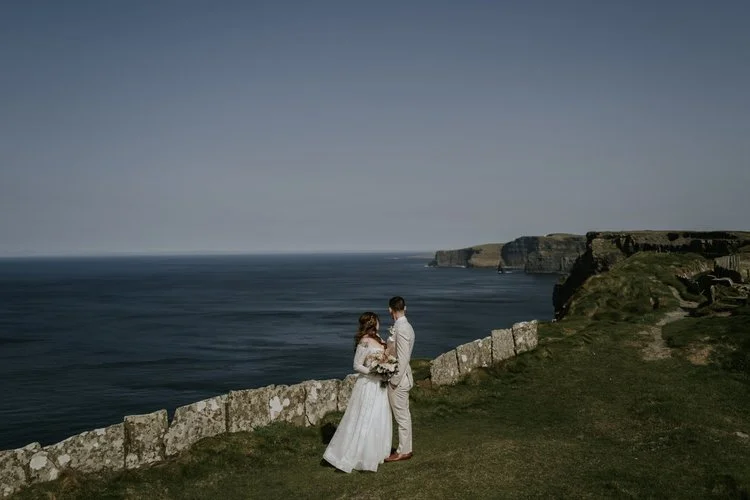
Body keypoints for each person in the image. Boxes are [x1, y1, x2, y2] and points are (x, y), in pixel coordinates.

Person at [323, 312, 392, 472]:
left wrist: (387, 364)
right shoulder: (364, 342)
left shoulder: (378, 338)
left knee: (378, 417)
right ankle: (356, 454)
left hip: (380, 384)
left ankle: (375, 453)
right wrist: (373, 371)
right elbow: (356, 365)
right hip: (369, 384)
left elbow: (384, 355)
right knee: (365, 418)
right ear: (373, 323)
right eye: (378, 321)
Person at [384, 296, 415, 462]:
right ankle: (406, 448)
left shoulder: (401, 329)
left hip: (400, 380)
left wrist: (394, 381)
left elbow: (402, 359)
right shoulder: (406, 326)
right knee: (404, 415)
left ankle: (403, 451)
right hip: (404, 378)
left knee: (401, 416)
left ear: (390, 310)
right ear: (405, 308)